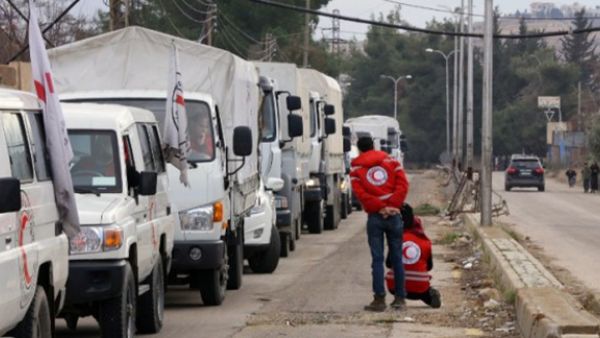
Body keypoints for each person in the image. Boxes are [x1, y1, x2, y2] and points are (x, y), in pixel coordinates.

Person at [350, 137, 409, 312]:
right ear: (374, 146)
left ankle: (379, 299)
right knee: (397, 258)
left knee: (377, 259)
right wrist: (393, 205)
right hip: (394, 215)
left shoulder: (356, 168)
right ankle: (400, 298)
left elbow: (361, 193)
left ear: (360, 150)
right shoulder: (391, 161)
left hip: (375, 217)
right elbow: (403, 185)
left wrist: (380, 207)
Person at [385, 204, 442, 308]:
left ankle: (398, 298)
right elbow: (429, 267)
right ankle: (430, 296)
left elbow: (389, 263)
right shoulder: (425, 242)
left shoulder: (395, 239)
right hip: (419, 288)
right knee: (423, 290)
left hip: (393, 287)